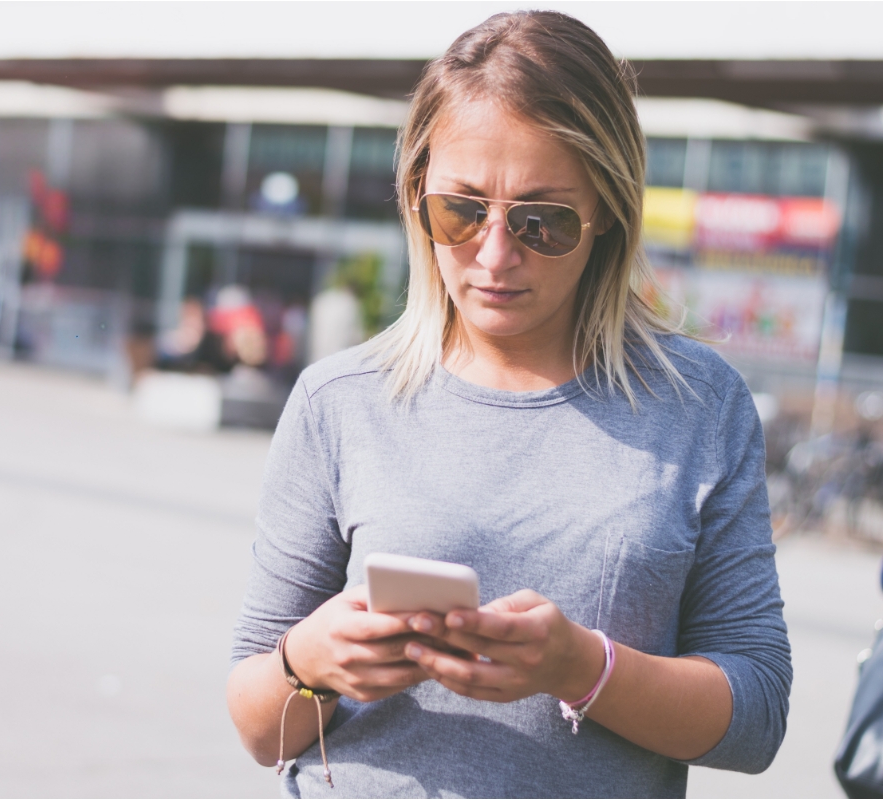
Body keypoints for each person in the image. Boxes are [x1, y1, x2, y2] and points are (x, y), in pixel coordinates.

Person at [227, 11, 791, 798]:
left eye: (542, 223)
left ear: (609, 214)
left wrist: (582, 668)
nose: (495, 256)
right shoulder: (340, 401)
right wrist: (308, 662)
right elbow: (258, 726)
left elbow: (757, 717)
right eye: (461, 212)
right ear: (417, 198)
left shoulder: (700, 406)